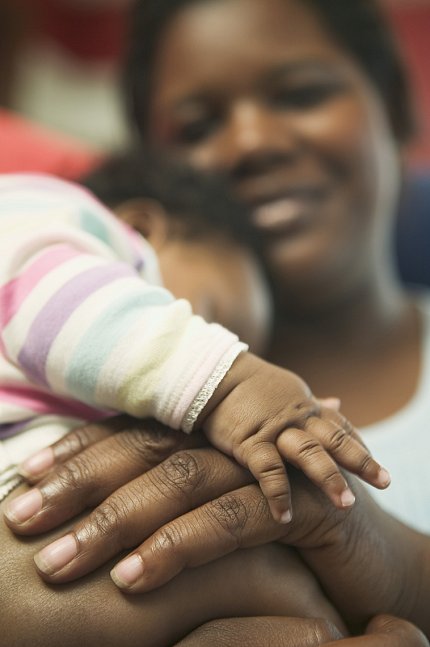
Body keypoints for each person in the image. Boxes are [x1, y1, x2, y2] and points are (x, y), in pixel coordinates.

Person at [2, 0, 430, 644]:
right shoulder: (74, 283)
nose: (252, 142)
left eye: (302, 94)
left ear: (395, 109)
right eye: (197, 128)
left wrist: (401, 575)